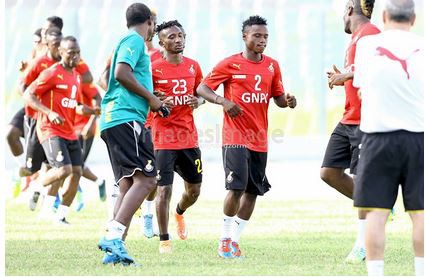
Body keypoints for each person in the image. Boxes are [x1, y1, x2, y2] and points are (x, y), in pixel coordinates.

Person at [197, 15, 296, 258]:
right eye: (257, 36)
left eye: (265, 37)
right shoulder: (230, 64)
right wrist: (223, 101)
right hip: (235, 137)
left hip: (260, 139)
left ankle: (234, 241)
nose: (262, 41)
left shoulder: (272, 65)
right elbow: (202, 88)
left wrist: (289, 101)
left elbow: (279, 98)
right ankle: (224, 239)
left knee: (252, 192)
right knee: (236, 188)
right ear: (245, 37)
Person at [97, 3, 172, 266]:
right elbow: (120, 73)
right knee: (149, 180)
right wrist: (152, 99)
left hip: (117, 119)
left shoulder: (129, 41)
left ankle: (114, 250)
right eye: (154, 23)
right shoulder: (135, 40)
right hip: (125, 118)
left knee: (128, 183)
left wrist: (151, 98)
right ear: (150, 22)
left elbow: (124, 78)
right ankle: (113, 236)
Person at [352, 0, 423, 275]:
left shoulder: (367, 46)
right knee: (420, 214)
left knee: (376, 213)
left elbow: (361, 89)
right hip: (418, 138)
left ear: (383, 16)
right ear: (413, 19)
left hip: (377, 138)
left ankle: (376, 273)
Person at [320, 0, 380, 263]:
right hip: (349, 118)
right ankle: (378, 203)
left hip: (367, 119)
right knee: (329, 173)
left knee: (362, 178)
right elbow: (357, 72)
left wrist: (346, 75)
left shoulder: (371, 33)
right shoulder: (355, 38)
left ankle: (362, 245)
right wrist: (344, 74)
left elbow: (377, 68)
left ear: (349, 10)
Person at [23, 36, 98, 224]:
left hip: (69, 130)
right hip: (50, 129)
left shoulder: (76, 77)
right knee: (63, 170)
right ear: (61, 53)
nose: (75, 56)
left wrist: (92, 111)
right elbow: (28, 94)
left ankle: (61, 215)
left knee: (77, 172)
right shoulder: (51, 73)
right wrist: (48, 112)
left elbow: (75, 106)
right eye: (71, 53)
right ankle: (36, 187)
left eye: (78, 52)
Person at [151, 20, 204, 254]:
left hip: (188, 138)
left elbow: (202, 94)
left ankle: (179, 213)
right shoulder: (152, 68)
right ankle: (164, 240)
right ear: (160, 42)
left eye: (180, 35)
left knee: (194, 191)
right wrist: (157, 100)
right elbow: (144, 98)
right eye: (171, 37)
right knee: (164, 190)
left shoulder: (193, 66)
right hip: (163, 138)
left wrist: (199, 101)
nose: (178, 39)